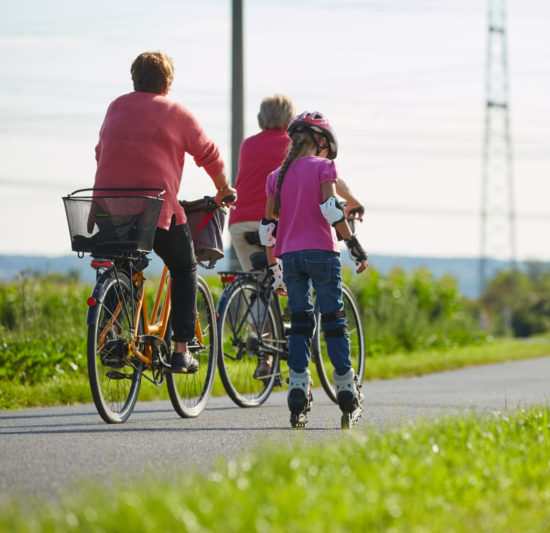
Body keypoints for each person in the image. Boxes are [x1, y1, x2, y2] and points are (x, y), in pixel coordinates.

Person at [93, 51, 236, 374]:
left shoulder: (115, 106)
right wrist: (223, 189)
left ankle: (112, 333)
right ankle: (181, 350)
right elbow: (209, 155)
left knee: (124, 265)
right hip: (155, 208)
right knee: (184, 267)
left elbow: (100, 152)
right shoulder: (175, 112)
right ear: (167, 83)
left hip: (107, 209)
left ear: (135, 79)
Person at [260, 111, 368, 428]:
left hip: (290, 258)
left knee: (301, 322)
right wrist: (353, 244)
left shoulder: (275, 176)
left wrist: (273, 269)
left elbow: (268, 228)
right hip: (322, 252)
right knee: (334, 319)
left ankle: (297, 391)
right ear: (320, 141)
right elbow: (331, 209)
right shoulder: (324, 167)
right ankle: (346, 391)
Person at [228, 94, 295, 272]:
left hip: (240, 222)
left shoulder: (247, 145)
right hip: (276, 223)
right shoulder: (293, 145)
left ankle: (257, 297)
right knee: (292, 280)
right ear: (290, 120)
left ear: (260, 119)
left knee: (256, 283)